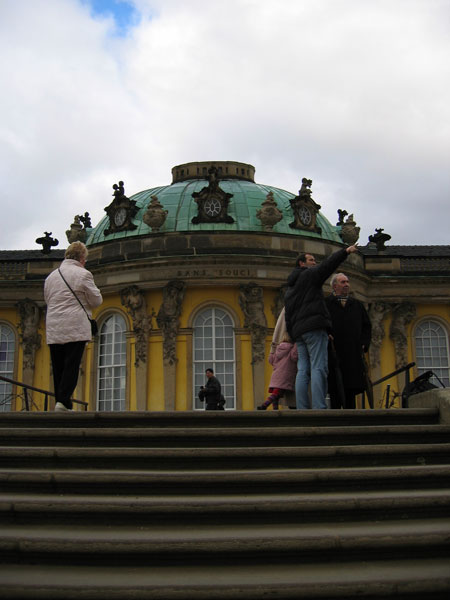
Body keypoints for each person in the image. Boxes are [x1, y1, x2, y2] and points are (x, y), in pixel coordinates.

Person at [284, 244, 358, 410]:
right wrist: (345, 252)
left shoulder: (290, 288)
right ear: (302, 263)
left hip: (299, 333)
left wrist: (293, 334)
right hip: (314, 328)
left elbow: (288, 314)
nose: (314, 263)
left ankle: (302, 408)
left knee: (302, 370)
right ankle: (319, 406)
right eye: (311, 260)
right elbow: (328, 265)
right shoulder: (309, 275)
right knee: (319, 367)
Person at [44, 241, 102, 412]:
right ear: (82, 258)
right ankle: (63, 401)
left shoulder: (51, 277)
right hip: (75, 325)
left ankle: (62, 402)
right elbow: (96, 300)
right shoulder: (83, 274)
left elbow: (48, 299)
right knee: (71, 364)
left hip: (54, 325)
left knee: (58, 366)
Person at [326, 273, 372, 409]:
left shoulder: (357, 305)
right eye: (343, 282)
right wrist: (327, 334)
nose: (346, 284)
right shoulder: (326, 303)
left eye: (347, 282)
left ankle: (351, 415)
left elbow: (367, 326)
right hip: (334, 351)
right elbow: (321, 322)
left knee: (351, 390)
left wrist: (364, 343)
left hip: (352, 351)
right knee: (335, 388)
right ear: (334, 286)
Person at [257, 332, 298, 410]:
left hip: (275, 375)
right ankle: (265, 405)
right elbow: (294, 357)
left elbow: (271, 360)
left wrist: (272, 350)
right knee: (276, 394)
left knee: (276, 395)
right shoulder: (291, 348)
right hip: (285, 376)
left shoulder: (278, 348)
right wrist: (297, 343)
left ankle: (275, 410)